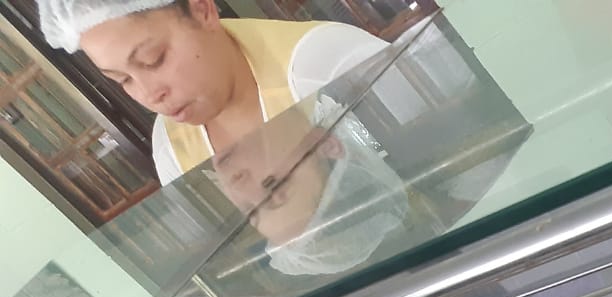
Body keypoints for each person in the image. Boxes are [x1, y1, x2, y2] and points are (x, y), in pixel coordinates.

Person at [39, 0, 389, 184]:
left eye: (153, 59)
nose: (149, 95)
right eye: (122, 80)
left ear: (203, 9)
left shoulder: (327, 62)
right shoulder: (171, 145)